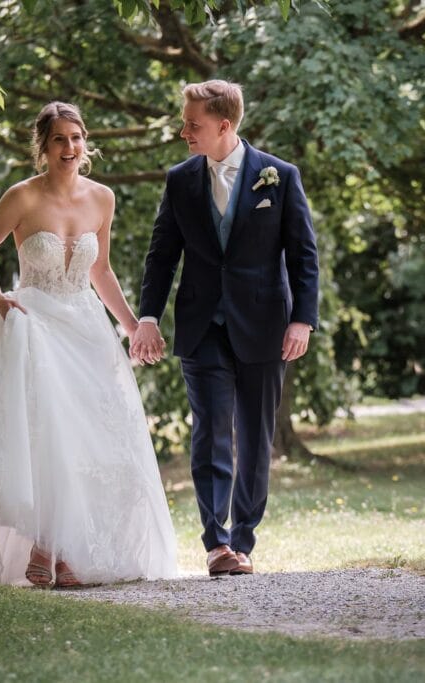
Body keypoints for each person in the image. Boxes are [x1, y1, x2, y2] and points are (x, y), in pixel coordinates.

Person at [0, 102, 177, 587]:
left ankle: (65, 551)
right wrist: (1, 299)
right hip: (36, 325)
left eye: (76, 137)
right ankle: (46, 551)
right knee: (47, 436)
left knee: (92, 440)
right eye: (59, 139)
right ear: (42, 148)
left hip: (87, 329)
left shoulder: (103, 198)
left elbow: (100, 270)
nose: (70, 148)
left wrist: (132, 325)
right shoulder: (22, 197)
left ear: (86, 143)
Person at [130, 80, 319, 576]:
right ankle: (216, 544)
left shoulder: (279, 176)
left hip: (265, 326)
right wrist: (147, 316)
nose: (183, 131)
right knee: (212, 430)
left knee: (255, 436)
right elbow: (162, 254)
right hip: (202, 326)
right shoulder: (180, 179)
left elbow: (303, 255)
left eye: (192, 124)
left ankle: (244, 539)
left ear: (223, 125)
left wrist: (303, 319)